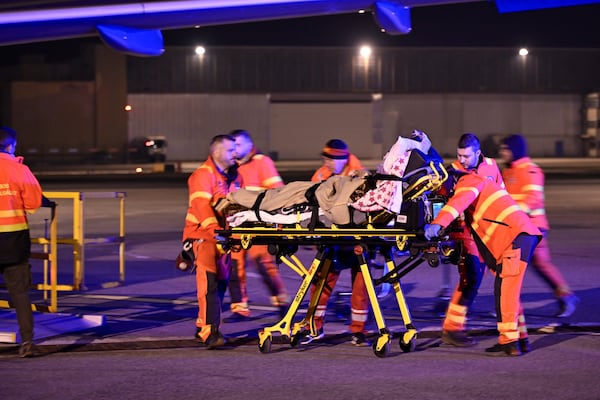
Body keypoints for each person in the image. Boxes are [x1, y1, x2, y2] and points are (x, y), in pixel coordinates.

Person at [425, 157, 542, 356]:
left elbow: (457, 204)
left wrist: (437, 225)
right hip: (514, 239)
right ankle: (520, 339)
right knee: (507, 290)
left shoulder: (468, 182)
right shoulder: (482, 179)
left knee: (505, 291)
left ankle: (510, 342)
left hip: (515, 239)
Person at [499, 134, 579, 317]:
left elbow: (532, 200)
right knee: (540, 264)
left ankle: (508, 308)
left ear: (515, 150)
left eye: (506, 149)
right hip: (520, 227)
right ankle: (566, 296)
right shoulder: (508, 171)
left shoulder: (530, 170)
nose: (502, 152)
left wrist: (510, 213)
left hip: (532, 228)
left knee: (510, 267)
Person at [438, 133, 505, 348]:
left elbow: (501, 194)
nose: (462, 160)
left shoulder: (492, 166)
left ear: (478, 153)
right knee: (471, 278)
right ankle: (452, 328)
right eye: (459, 155)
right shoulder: (454, 172)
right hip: (464, 232)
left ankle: (457, 324)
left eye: (466, 156)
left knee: (482, 278)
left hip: (485, 231)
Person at [302, 139, 371, 346]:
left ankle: (359, 330)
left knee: (361, 287)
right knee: (321, 283)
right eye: (325, 159)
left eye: (330, 159)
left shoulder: (361, 177)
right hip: (332, 237)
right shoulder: (321, 174)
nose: (327, 163)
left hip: (357, 238)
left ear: (342, 159)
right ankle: (313, 326)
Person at [182, 134, 241, 349]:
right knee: (209, 282)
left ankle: (202, 325)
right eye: (230, 150)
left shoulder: (234, 177)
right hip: (202, 236)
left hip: (223, 238)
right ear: (216, 152)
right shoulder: (202, 175)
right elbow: (201, 206)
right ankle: (210, 330)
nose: (235, 153)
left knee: (222, 283)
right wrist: (215, 230)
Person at [224, 129, 289, 321]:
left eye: (238, 145)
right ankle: (239, 308)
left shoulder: (262, 163)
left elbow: (278, 192)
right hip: (236, 224)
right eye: (232, 146)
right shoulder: (231, 166)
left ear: (248, 145)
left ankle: (281, 303)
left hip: (259, 224)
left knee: (265, 265)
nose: (234, 149)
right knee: (235, 267)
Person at [0, 126, 43, 358]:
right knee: (19, 292)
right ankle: (27, 342)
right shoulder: (19, 170)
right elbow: (34, 204)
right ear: (10, 146)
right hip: (13, 241)